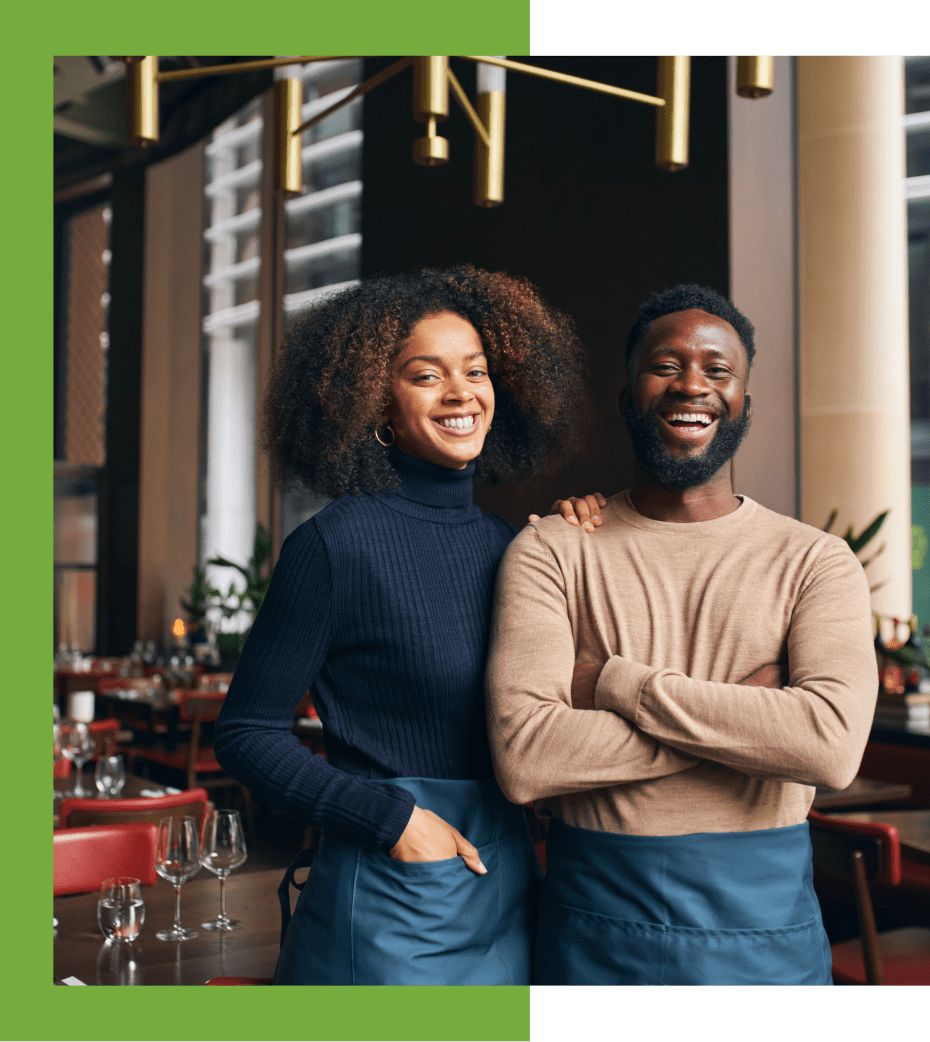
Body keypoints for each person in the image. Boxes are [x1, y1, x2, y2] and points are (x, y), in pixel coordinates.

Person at [213, 264, 604, 985]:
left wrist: (592, 537)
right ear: (377, 407)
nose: (461, 394)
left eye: (477, 372)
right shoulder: (335, 545)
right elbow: (245, 736)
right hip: (392, 899)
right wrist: (393, 823)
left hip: (510, 888)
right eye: (426, 376)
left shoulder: (514, 545)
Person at [486, 283, 878, 986]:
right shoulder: (553, 550)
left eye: (717, 370)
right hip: (595, 932)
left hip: (765, 937)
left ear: (743, 405)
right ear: (628, 395)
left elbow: (829, 745)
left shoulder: (817, 561)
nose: (690, 383)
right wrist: (747, 724)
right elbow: (527, 759)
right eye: (665, 365)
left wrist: (615, 683)